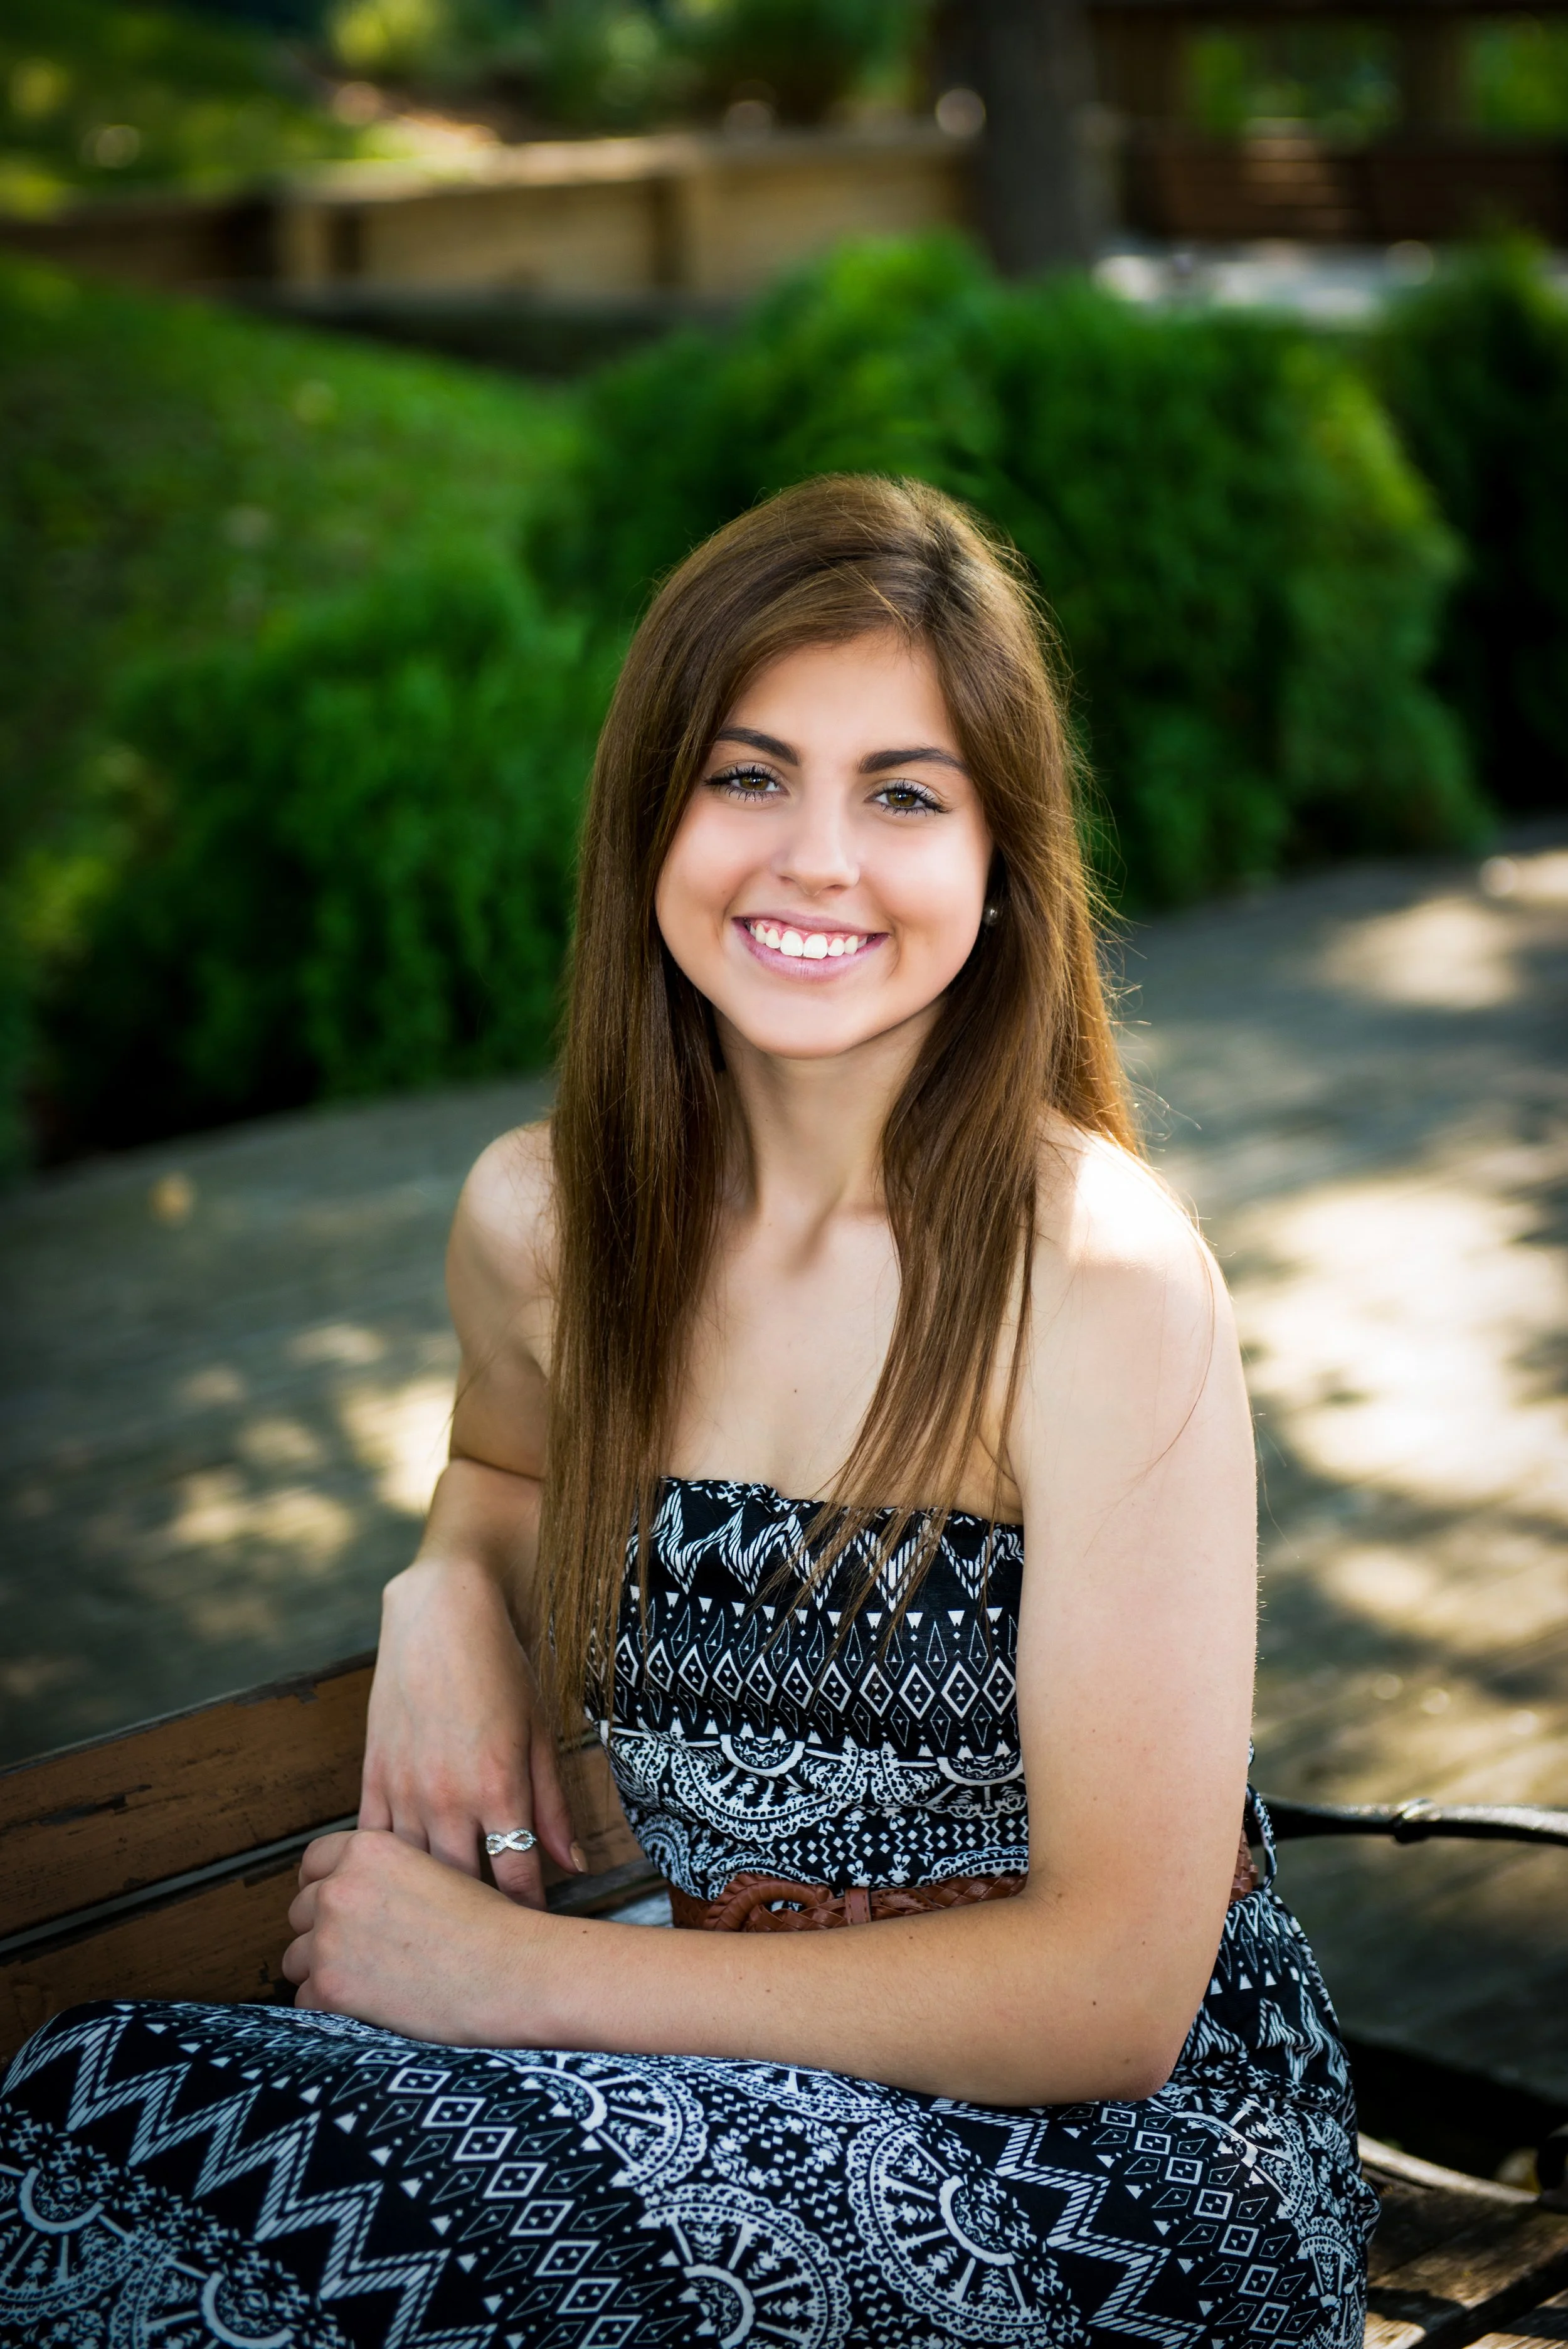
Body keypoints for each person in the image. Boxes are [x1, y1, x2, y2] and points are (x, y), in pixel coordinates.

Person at [0, 475, 1376, 2348]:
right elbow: (502, 1462)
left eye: (902, 792)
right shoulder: (546, 1227)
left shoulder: (1093, 1277)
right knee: (95, 2099)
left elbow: (1109, 1996)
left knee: (318, 2202)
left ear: (998, 858)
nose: (816, 856)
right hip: (724, 2086)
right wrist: (443, 1595)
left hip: (1114, 2179)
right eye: (748, 776)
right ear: (651, 814)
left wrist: (513, 1981)